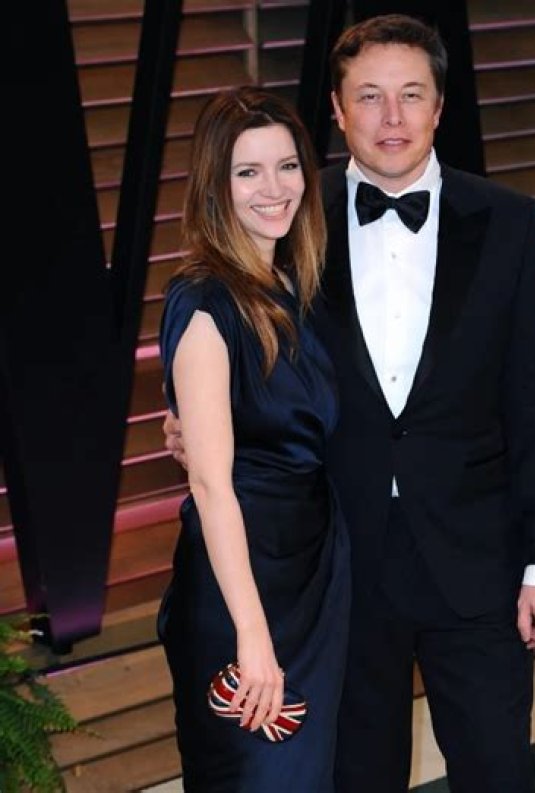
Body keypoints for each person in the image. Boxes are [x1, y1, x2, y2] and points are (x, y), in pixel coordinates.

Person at [166, 14, 535, 793]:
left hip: (476, 559)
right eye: (369, 96)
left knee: (499, 771)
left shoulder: (510, 222)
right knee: (357, 778)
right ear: (336, 107)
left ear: (440, 107)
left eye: (411, 94)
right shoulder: (289, 219)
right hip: (337, 567)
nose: (392, 117)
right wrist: (204, 425)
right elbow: (244, 354)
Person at [157, 86, 350, 792]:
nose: (274, 188)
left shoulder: (293, 286)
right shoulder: (205, 302)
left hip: (312, 574)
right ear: (216, 186)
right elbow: (212, 485)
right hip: (242, 587)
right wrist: (252, 634)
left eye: (287, 166)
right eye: (248, 172)